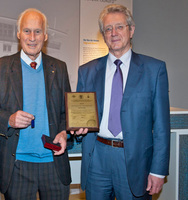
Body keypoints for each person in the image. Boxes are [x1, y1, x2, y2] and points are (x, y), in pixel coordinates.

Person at [72, 4, 170, 200]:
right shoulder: (87, 71)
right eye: (108, 29)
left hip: (135, 160)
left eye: (119, 27)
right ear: (103, 34)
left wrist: (158, 170)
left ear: (131, 30)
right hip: (97, 158)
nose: (113, 33)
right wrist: (77, 129)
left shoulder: (154, 70)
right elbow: (80, 117)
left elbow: (161, 126)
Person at [0, 8, 71, 200]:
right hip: (17, 165)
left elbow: (66, 112)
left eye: (38, 31)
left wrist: (64, 131)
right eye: (27, 31)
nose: (32, 37)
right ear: (18, 34)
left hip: (54, 163)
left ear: (46, 35)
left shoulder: (59, 68)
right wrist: (9, 119)